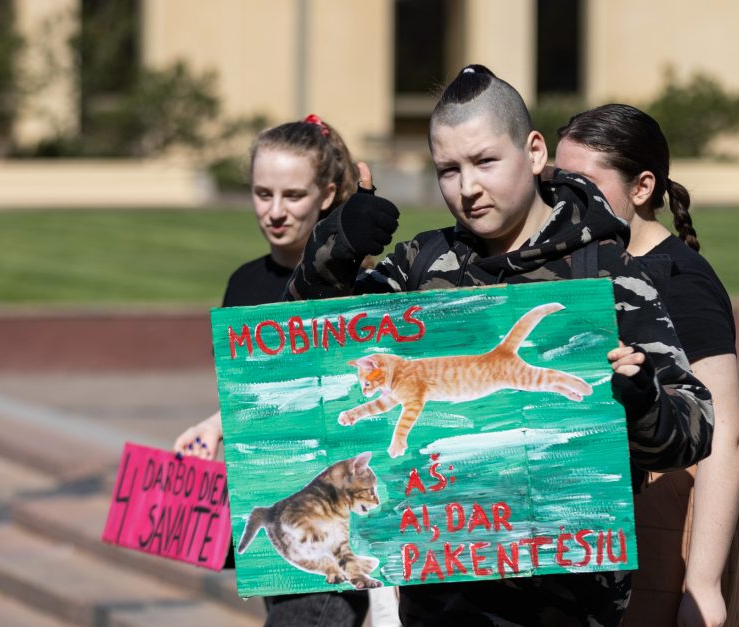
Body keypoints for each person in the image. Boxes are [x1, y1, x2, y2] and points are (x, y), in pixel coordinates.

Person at [284, 65, 715, 627]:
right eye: (447, 170)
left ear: (535, 152)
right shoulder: (419, 267)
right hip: (441, 599)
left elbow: (697, 427)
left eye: (485, 161)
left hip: (569, 601)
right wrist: (334, 250)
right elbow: (296, 349)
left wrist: (643, 402)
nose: (467, 187)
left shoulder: (607, 273)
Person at [173, 115, 382, 627]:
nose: (275, 211)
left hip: (338, 523)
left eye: (293, 195)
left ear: (327, 194)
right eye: (262, 194)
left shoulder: (359, 283)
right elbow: (256, 396)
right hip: (276, 507)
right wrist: (214, 426)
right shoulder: (242, 284)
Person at [555, 104, 739, 627]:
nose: (565, 199)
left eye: (583, 184)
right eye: (557, 182)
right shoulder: (580, 264)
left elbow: (724, 434)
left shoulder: (680, 278)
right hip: (606, 523)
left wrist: (702, 584)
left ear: (642, 187)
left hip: (668, 520)